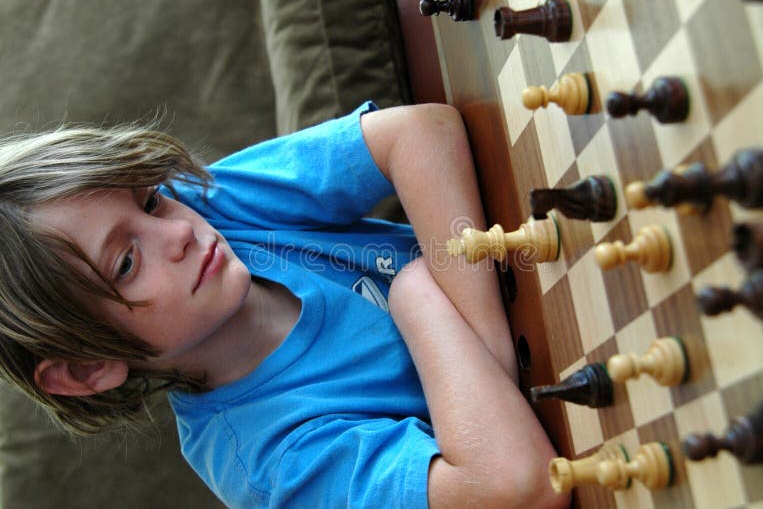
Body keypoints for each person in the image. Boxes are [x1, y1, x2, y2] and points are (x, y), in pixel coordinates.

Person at [0, 101, 567, 508]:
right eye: (125, 263)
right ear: (87, 368)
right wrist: (418, 293)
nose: (174, 233)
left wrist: (486, 351)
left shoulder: (210, 211)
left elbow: (420, 131)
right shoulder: (270, 463)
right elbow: (516, 486)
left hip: (546, 320)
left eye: (149, 201)